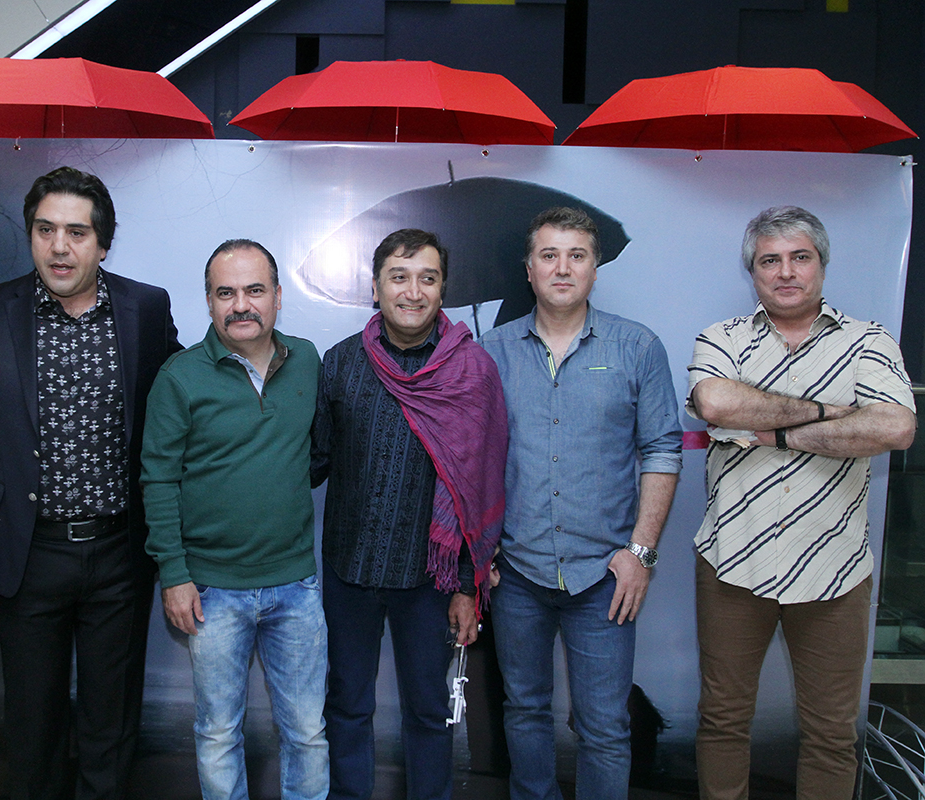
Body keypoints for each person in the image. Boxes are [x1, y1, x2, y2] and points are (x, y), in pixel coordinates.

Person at [0, 166, 180, 800]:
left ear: (102, 244)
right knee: (33, 726)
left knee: (111, 724)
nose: (59, 247)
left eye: (77, 232)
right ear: (30, 235)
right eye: (45, 229)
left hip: (119, 554)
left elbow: (179, 406)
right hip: (30, 553)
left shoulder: (145, 308)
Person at [687, 206, 915, 800]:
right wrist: (835, 415)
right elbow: (716, 404)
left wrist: (777, 432)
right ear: (753, 272)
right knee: (722, 721)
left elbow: (894, 428)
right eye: (770, 260)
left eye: (799, 258)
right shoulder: (722, 338)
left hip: (835, 568)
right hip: (734, 562)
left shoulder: (869, 341)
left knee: (832, 735)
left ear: (821, 264)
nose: (786, 272)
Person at [479, 206, 683, 800]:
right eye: (549, 255)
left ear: (595, 268)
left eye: (577, 256)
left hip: (605, 576)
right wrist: (479, 551)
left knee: (605, 727)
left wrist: (640, 554)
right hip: (516, 573)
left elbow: (662, 450)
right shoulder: (490, 352)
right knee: (524, 711)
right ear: (529, 269)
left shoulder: (637, 347)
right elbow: (472, 459)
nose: (562, 268)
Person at [311, 228, 507, 800]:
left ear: (443, 289)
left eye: (427, 278)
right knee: (347, 704)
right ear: (376, 288)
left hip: (430, 580)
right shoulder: (340, 362)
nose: (413, 292)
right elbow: (313, 461)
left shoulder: (472, 371)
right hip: (349, 570)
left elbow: (482, 484)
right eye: (399, 277)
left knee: (427, 711)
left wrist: (468, 586)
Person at [142, 239, 328, 800]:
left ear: (277, 297)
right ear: (208, 301)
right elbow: (158, 480)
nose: (241, 305)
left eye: (254, 290)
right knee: (219, 732)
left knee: (307, 731)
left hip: (296, 586)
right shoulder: (179, 377)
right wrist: (174, 575)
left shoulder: (307, 361)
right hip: (211, 591)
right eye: (226, 293)